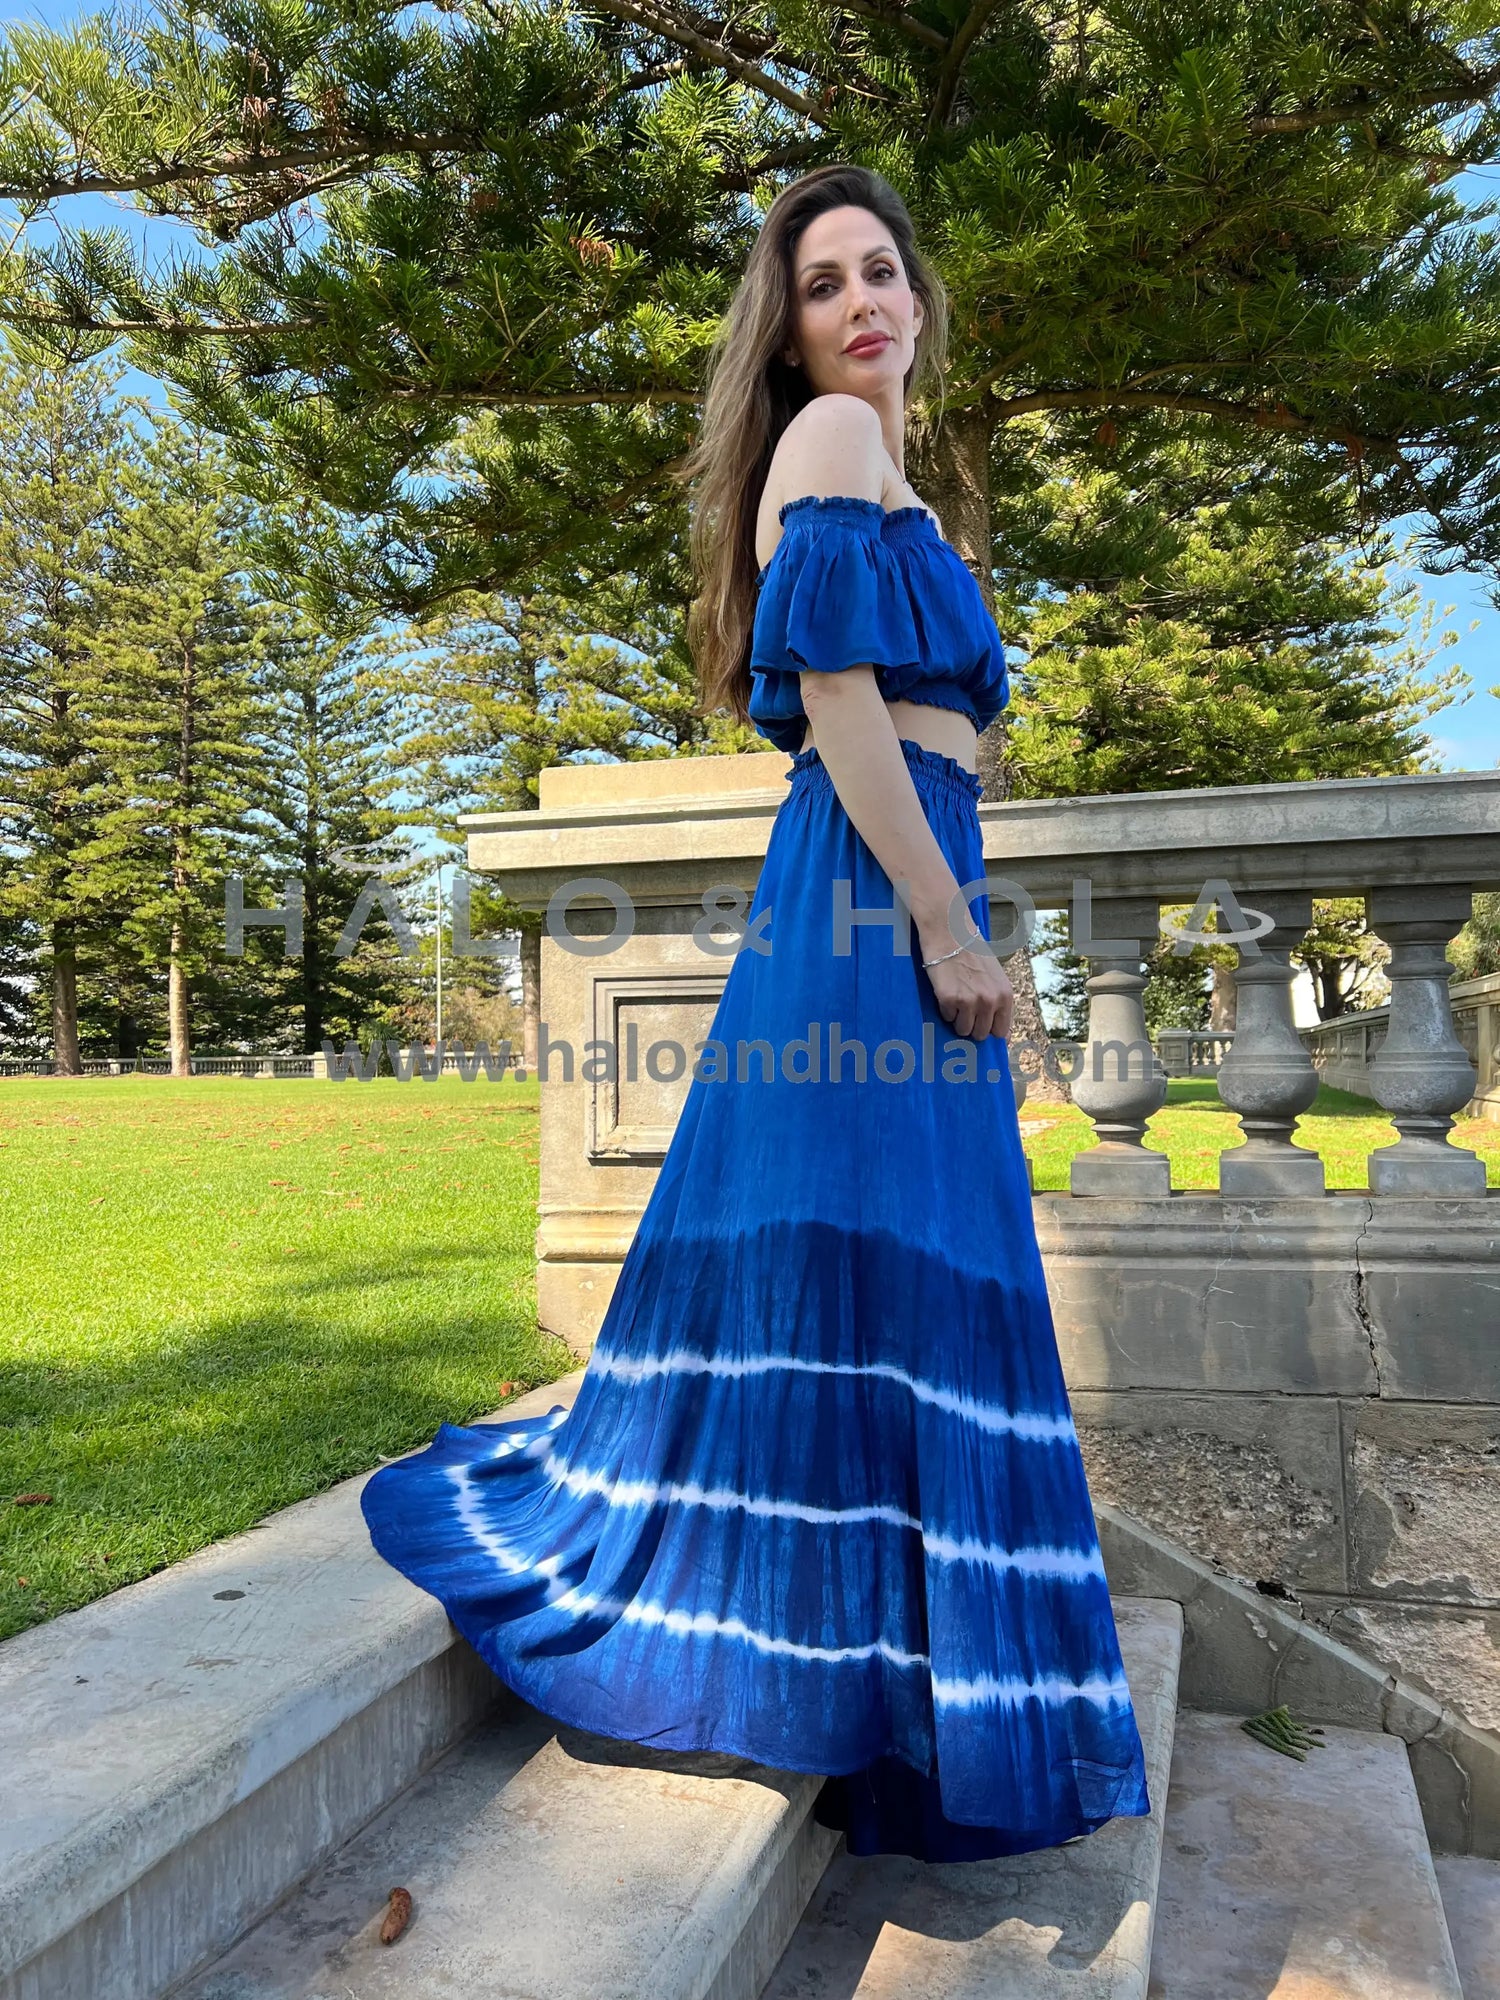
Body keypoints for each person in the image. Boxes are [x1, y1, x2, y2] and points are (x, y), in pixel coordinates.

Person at [360, 162, 1151, 1863]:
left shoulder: (902, 476)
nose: (866, 300)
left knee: (900, 1254)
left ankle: (873, 1662)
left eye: (884, 271)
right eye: (824, 283)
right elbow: (845, 699)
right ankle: (824, 1658)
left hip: (907, 866)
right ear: (786, 330)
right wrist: (947, 924)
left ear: (918, 298)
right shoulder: (835, 447)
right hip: (878, 890)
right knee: (880, 1243)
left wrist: (959, 891)